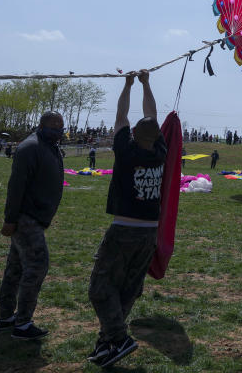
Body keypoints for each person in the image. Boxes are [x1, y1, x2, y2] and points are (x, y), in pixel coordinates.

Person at [87, 71, 166, 368]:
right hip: (149, 233)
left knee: (99, 288)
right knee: (128, 288)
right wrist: (147, 84)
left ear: (133, 135)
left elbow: (121, 114)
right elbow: (152, 115)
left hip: (124, 230)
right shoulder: (160, 151)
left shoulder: (126, 150)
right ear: (157, 136)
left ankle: (118, 338)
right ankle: (106, 343)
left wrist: (128, 85)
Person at [0, 111, 65, 340]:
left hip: (36, 217)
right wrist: (10, 219)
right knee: (37, 266)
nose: (58, 129)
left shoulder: (50, 146)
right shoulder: (30, 147)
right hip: (27, 217)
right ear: (41, 125)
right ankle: (22, 323)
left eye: (61, 126)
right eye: (53, 125)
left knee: (15, 268)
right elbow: (16, 185)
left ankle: (6, 317)